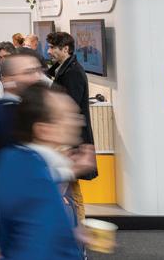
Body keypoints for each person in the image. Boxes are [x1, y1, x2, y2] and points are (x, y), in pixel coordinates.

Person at [0, 83, 87, 260]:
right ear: (43, 130)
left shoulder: (14, 160)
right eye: (67, 116)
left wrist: (69, 235)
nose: (78, 121)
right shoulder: (37, 179)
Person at [46, 31, 97, 219]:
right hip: (66, 140)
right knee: (70, 188)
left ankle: (80, 228)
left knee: (72, 191)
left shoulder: (73, 73)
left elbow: (70, 108)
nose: (48, 51)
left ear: (65, 49)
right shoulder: (63, 68)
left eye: (52, 47)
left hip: (71, 142)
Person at [0, 49, 53, 167]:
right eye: (29, 72)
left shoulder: (22, 108)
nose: (38, 77)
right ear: (8, 79)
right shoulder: (6, 115)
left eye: (39, 71)